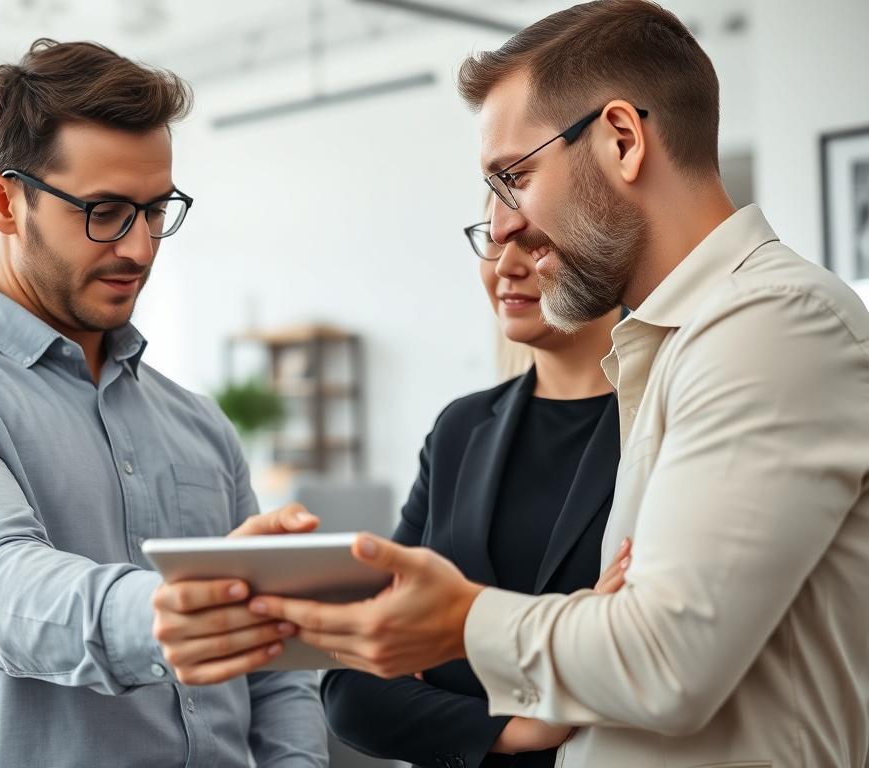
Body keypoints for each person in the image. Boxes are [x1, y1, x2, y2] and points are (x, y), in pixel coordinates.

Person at [246, 2, 869, 766]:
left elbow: (662, 660)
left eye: (515, 177)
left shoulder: (772, 324)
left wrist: (459, 618)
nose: (504, 229)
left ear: (622, 139)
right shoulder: (672, 345)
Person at [0, 39, 327, 767]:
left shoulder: (199, 424)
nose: (138, 247)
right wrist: (170, 611)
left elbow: (273, 670)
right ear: (3, 202)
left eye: (156, 209)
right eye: (104, 211)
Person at [318, 211, 630, 768]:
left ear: (605, 246)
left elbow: (639, 644)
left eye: (534, 243)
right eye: (493, 241)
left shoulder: (663, 423)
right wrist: (518, 729)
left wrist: (441, 665)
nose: (505, 266)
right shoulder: (461, 429)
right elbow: (351, 688)